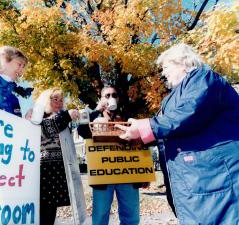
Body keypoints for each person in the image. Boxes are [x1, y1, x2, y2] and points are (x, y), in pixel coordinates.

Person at [116, 43, 239, 224]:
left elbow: (187, 114)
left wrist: (145, 127)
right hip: (199, 180)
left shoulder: (203, 78)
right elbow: (172, 128)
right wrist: (141, 136)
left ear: (183, 63)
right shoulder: (178, 94)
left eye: (165, 67)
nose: (163, 73)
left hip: (213, 179)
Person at [78, 86, 140, 225]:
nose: (111, 98)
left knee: (131, 216)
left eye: (114, 95)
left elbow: (139, 141)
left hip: (127, 174)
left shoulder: (127, 116)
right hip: (103, 175)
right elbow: (82, 131)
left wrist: (142, 175)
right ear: (101, 99)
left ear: (118, 98)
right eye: (107, 95)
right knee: (100, 216)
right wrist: (97, 110)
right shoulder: (95, 116)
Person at [25, 88, 79, 225]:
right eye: (55, 99)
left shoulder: (62, 119)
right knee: (42, 212)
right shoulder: (38, 116)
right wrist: (67, 115)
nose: (59, 102)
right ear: (46, 99)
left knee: (50, 212)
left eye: (61, 100)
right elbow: (48, 128)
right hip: (43, 172)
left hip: (57, 171)